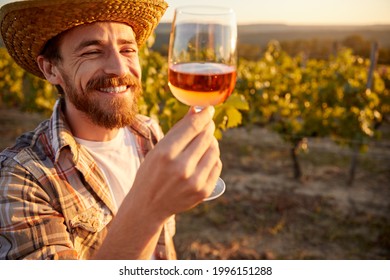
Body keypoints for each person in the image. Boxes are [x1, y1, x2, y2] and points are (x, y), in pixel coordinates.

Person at [0, 0, 222, 260]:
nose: (119, 68)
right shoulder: (20, 178)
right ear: (51, 69)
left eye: (128, 49)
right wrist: (150, 208)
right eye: (92, 52)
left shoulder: (149, 132)